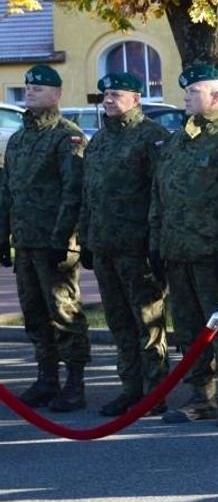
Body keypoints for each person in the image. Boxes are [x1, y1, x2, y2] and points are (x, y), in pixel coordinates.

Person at [151, 63, 218, 427]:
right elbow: (159, 196)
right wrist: (156, 243)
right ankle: (202, 397)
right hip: (177, 251)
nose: (185, 97)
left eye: (192, 91)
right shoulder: (176, 141)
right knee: (190, 328)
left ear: (215, 97)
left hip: (215, 253)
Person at [78, 72, 169, 416]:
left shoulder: (152, 138)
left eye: (116, 94)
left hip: (138, 248)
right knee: (119, 322)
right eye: (105, 95)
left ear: (136, 98)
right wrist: (86, 238)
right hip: (105, 247)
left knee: (147, 322)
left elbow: (161, 196)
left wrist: (156, 244)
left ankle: (155, 390)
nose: (109, 100)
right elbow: (89, 194)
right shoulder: (99, 141)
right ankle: (131, 388)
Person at [0, 64, 90, 411]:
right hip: (25, 240)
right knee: (34, 313)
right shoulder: (19, 139)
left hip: (55, 242)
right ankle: (46, 378)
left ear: (56, 94)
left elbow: (73, 191)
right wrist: (3, 233)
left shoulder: (66, 136)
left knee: (63, 311)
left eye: (38, 87)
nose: (30, 91)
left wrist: (63, 238)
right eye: (27, 86)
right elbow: (7, 189)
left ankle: (75, 382)